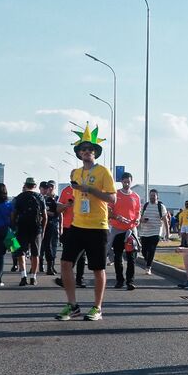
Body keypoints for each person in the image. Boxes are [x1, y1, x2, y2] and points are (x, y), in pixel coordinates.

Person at [55, 124, 117, 321]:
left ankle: (97, 308)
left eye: (90, 149)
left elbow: (112, 198)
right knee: (65, 264)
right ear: (79, 153)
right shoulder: (75, 173)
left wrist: (89, 189)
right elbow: (76, 195)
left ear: (95, 153)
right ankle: (72, 305)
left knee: (98, 269)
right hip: (77, 225)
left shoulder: (103, 172)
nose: (87, 152)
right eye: (83, 150)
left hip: (98, 226)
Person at [10, 177, 47, 286]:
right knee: (35, 253)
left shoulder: (19, 197)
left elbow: (13, 215)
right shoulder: (40, 197)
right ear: (35, 186)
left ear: (25, 185)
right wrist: (43, 230)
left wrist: (13, 227)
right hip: (36, 228)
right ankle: (33, 277)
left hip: (22, 227)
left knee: (20, 252)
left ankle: (23, 276)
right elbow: (45, 216)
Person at [109, 171, 142, 290]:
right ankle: (119, 280)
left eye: (128, 181)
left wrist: (137, 219)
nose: (127, 184)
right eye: (124, 182)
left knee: (131, 257)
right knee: (118, 256)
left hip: (131, 230)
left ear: (131, 181)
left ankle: (130, 281)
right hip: (117, 229)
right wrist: (116, 216)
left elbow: (138, 212)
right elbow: (109, 211)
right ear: (121, 182)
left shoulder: (136, 197)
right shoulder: (115, 195)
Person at [137, 189, 169, 274]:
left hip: (156, 231)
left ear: (157, 196)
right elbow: (139, 217)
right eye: (151, 195)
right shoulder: (145, 205)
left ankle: (148, 267)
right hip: (144, 232)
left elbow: (165, 220)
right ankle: (148, 261)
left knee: (151, 249)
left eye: (154, 195)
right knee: (144, 251)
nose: (152, 197)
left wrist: (167, 233)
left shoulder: (161, 206)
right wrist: (142, 220)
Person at [40, 180, 62, 276]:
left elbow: (58, 213)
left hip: (53, 225)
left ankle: (51, 266)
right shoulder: (41, 198)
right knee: (41, 246)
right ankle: (39, 264)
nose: (49, 188)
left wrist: (61, 227)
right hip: (42, 225)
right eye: (48, 187)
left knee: (52, 247)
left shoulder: (56, 199)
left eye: (51, 186)